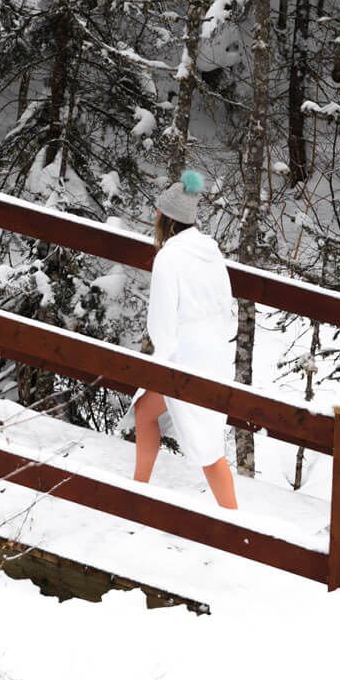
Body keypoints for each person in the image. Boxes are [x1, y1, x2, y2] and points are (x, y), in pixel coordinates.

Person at [131, 170, 239, 509]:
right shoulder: (212, 253)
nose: (154, 219)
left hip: (185, 357)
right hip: (218, 355)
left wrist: (166, 358)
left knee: (206, 445)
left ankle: (235, 520)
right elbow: (227, 305)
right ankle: (138, 491)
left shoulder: (169, 257)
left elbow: (160, 324)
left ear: (167, 219)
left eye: (158, 214)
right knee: (145, 411)